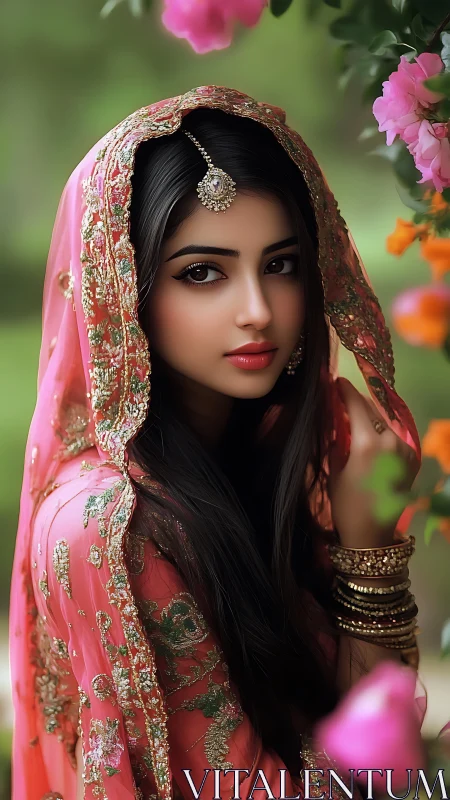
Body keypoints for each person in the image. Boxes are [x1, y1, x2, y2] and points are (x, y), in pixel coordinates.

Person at [9, 86, 422, 800]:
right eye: (203, 273)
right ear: (124, 292)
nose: (257, 312)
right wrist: (372, 557)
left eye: (281, 265)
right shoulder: (111, 527)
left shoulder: (273, 455)